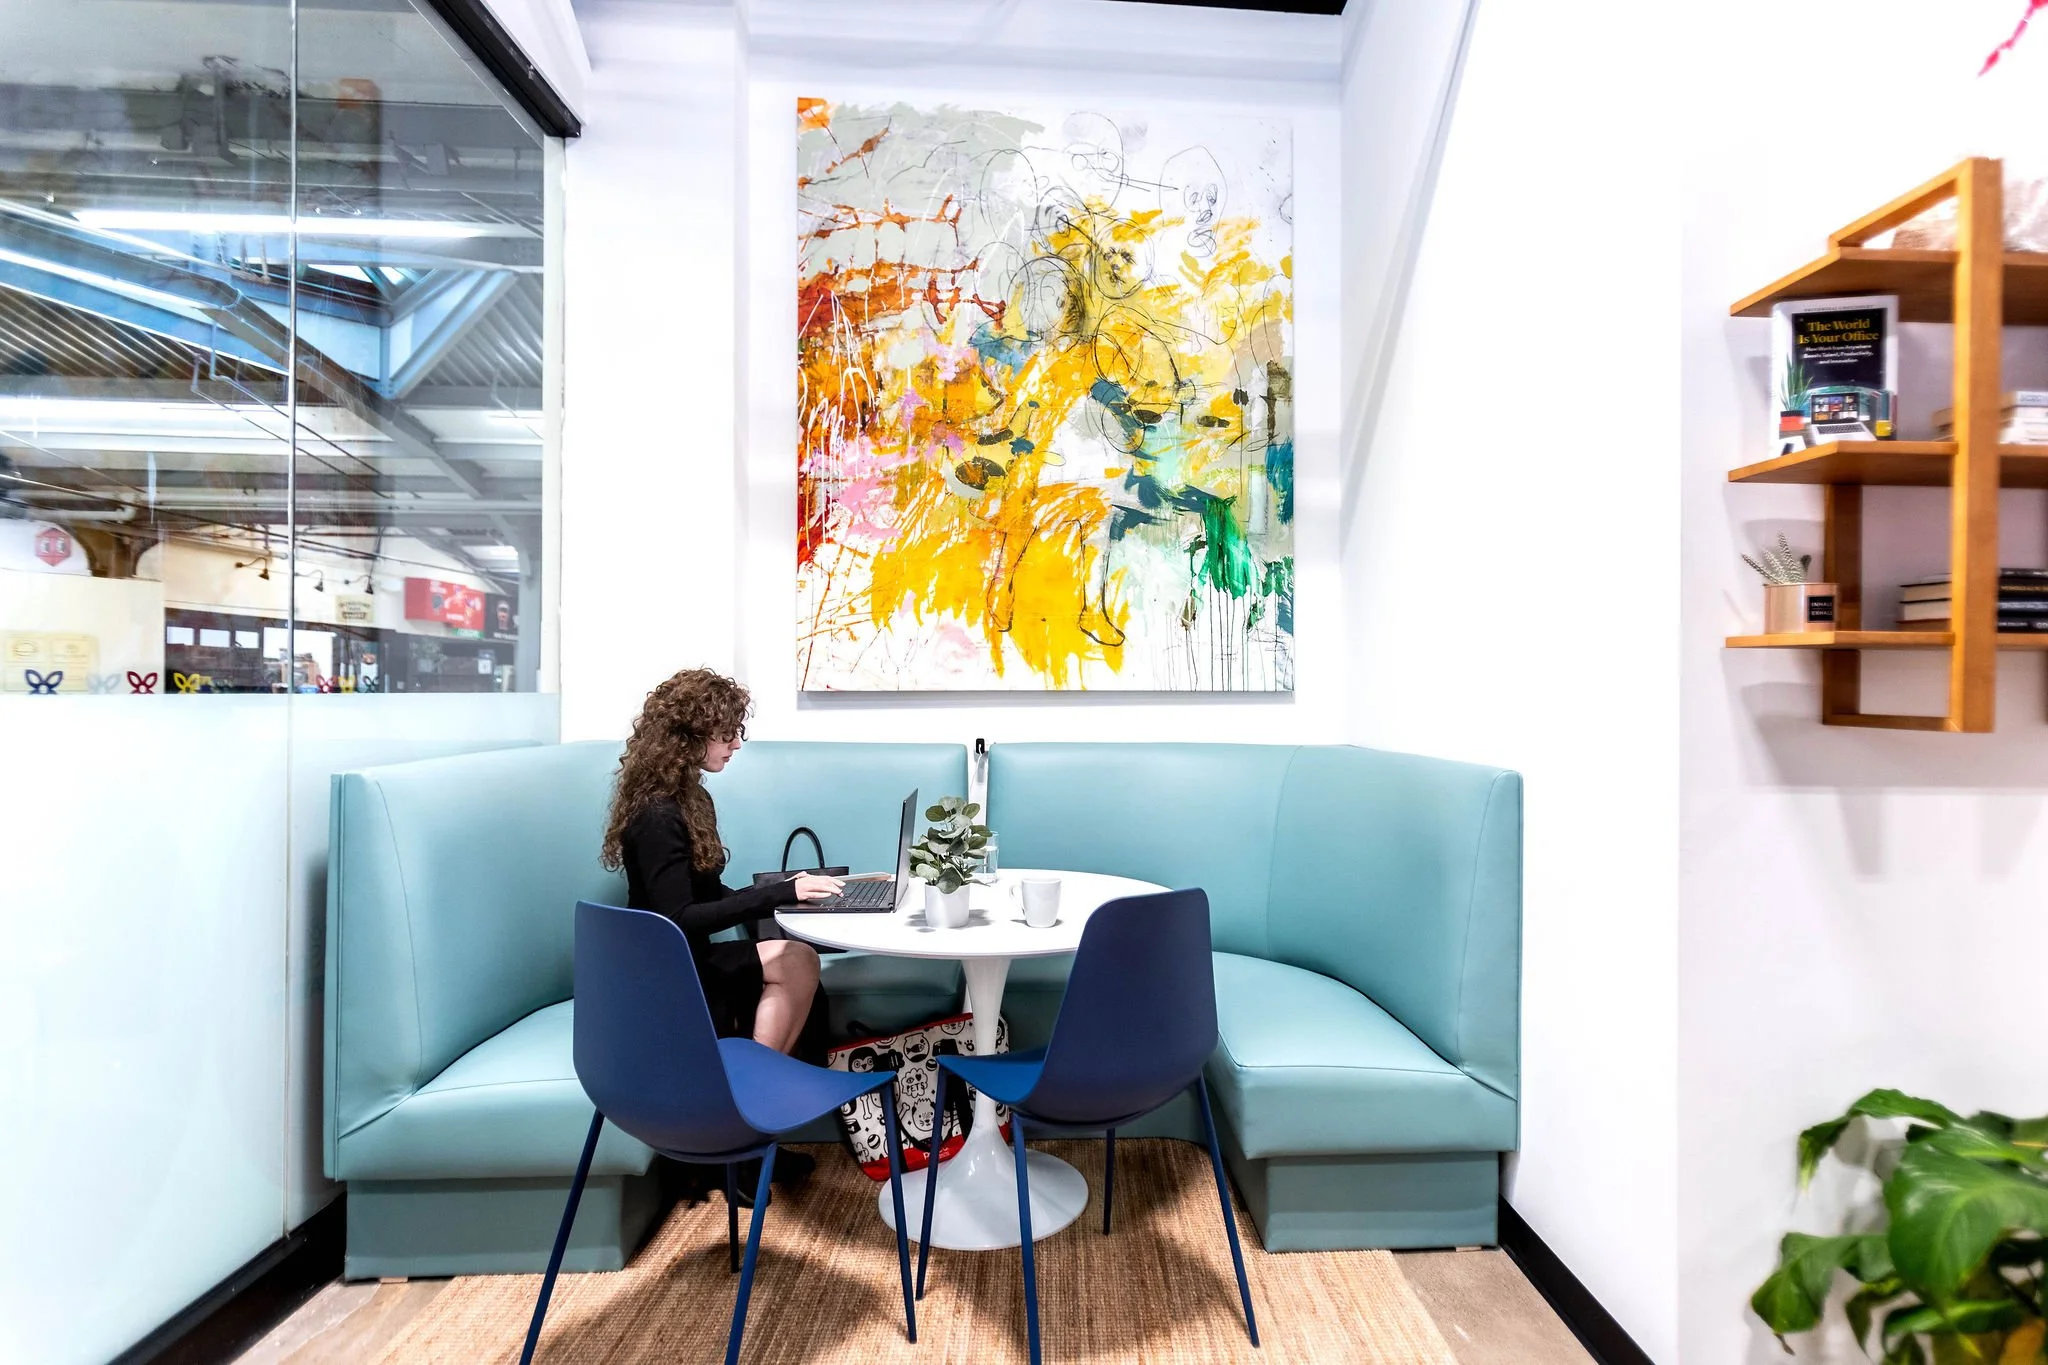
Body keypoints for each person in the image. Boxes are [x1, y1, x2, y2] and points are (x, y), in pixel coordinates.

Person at [602, 668, 843, 1058]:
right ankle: (752, 1085)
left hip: (685, 954)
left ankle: (758, 1078)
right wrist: (777, 894)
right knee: (796, 961)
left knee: (796, 957)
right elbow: (678, 918)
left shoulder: (691, 798)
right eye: (726, 734)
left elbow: (709, 895)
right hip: (662, 964)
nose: (736, 744)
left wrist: (787, 894)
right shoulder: (657, 814)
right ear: (688, 737)